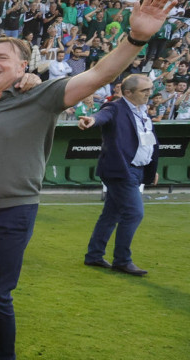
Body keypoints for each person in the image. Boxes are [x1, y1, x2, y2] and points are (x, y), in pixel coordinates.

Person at [0, 0, 174, 360]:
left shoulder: (43, 95)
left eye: (3, 57)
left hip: (11, 212)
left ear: (24, 68)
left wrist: (138, 36)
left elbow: (99, 74)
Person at [78, 74, 157, 277]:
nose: (149, 93)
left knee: (111, 214)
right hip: (121, 170)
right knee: (134, 213)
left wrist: (150, 168)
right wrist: (91, 120)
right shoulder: (115, 107)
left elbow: (147, 142)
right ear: (127, 92)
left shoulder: (142, 110)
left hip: (137, 169)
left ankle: (94, 255)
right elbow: (101, 116)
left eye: (150, 89)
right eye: (144, 90)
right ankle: (122, 260)